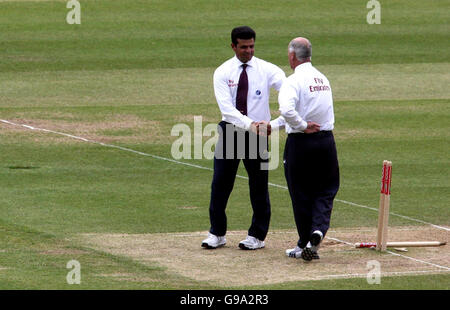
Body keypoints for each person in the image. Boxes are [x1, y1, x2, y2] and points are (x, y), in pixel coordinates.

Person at [201, 26, 286, 250]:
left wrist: (275, 122)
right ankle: (217, 233)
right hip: (231, 132)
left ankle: (257, 236)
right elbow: (227, 109)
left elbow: (287, 91)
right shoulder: (222, 71)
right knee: (220, 184)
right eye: (243, 47)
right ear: (233, 46)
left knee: (259, 186)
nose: (248, 50)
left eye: (251, 46)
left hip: (258, 137)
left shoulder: (268, 69)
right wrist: (251, 124)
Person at [278, 37, 340, 261]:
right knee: (326, 189)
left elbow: (287, 110)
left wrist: (303, 126)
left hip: (301, 144)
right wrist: (273, 125)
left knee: (301, 193)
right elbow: (307, 111)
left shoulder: (292, 80)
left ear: (292, 56)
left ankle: (305, 240)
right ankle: (317, 232)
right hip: (326, 143)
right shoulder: (322, 78)